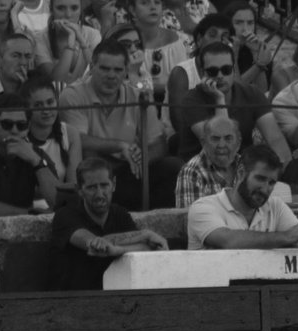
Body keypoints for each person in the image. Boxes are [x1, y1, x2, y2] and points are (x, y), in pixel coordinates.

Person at [60, 38, 180, 208]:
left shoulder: (139, 96)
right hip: (93, 174)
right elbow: (76, 139)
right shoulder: (72, 94)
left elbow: (158, 143)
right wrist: (119, 146)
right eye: (104, 69)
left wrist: (139, 158)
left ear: (125, 71)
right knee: (91, 157)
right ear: (92, 67)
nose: (111, 75)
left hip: (127, 170)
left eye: (118, 70)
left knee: (173, 167)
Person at [51, 156, 169, 289]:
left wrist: (119, 250)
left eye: (104, 185)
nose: (100, 194)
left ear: (113, 184)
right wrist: (144, 234)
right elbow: (95, 244)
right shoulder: (66, 215)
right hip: (71, 302)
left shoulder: (120, 214)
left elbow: (145, 249)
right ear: (80, 190)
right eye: (91, 188)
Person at [169, 38, 288, 161]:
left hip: (243, 165)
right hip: (201, 169)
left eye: (226, 70)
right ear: (203, 73)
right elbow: (220, 147)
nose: (220, 76)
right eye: (212, 71)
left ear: (234, 70)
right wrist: (219, 99)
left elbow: (275, 139)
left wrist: (285, 171)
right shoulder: (192, 99)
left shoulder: (251, 93)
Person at [185, 143, 298, 249]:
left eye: (272, 183)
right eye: (260, 179)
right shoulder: (204, 207)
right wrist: (286, 236)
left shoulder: (275, 206)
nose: (265, 189)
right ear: (241, 172)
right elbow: (229, 241)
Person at [0, 91, 62, 214]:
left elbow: (59, 203)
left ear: (28, 127)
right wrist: (33, 215)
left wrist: (36, 162)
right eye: (7, 124)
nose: (14, 131)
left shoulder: (34, 154)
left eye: (21, 125)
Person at [173, 112, 240, 206]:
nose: (221, 145)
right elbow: (191, 218)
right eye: (215, 139)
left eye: (228, 138)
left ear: (238, 142)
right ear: (203, 142)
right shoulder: (192, 172)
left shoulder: (247, 166)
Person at [23, 76, 81, 184]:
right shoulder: (19, 134)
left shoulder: (70, 134)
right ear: (27, 109)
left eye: (50, 102)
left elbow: (73, 185)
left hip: (61, 199)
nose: (46, 110)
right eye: (38, 105)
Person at [43, 0, 99, 86]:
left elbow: (98, 72)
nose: (68, 15)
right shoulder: (40, 38)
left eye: (74, 8)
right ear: (51, 10)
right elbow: (57, 82)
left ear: (81, 10)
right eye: (61, 8)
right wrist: (71, 39)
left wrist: (81, 40)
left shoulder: (93, 34)